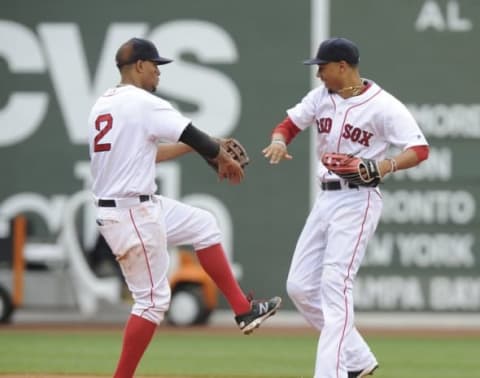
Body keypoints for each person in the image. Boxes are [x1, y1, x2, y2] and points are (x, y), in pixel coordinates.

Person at [88, 37, 281, 378]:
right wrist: (219, 155)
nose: (158, 73)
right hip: (131, 213)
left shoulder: (105, 104)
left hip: (136, 206)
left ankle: (242, 309)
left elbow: (150, 152)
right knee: (152, 302)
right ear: (139, 66)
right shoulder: (143, 102)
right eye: (155, 66)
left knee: (203, 224)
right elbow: (194, 134)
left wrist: (203, 148)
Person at [262, 37, 429, 378]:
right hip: (326, 198)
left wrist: (385, 167)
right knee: (299, 286)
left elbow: (419, 148)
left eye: (322, 67)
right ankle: (358, 359)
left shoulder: (383, 106)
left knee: (335, 286)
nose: (318, 74)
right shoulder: (321, 98)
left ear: (342, 66)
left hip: (358, 199)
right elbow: (289, 124)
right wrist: (279, 141)